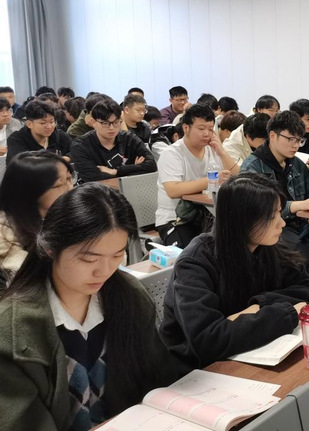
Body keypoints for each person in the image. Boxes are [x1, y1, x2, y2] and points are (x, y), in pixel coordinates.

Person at [0, 183, 179, 430]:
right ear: (50, 248)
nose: (104, 271)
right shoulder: (12, 329)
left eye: (117, 255)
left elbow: (159, 380)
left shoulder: (129, 295)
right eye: (88, 259)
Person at [160, 173, 309, 369]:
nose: (282, 223)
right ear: (242, 220)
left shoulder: (267, 247)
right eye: (272, 216)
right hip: (196, 370)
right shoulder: (195, 262)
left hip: (249, 355)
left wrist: (259, 305)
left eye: (279, 213)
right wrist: (286, 313)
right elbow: (207, 341)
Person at [241, 111, 309, 297]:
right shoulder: (252, 167)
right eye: (290, 139)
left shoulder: (297, 165)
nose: (295, 145)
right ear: (272, 136)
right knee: (305, 257)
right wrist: (297, 206)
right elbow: (258, 211)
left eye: (299, 140)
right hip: (270, 228)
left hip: (301, 225)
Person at [155, 104, 238, 246]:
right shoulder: (171, 154)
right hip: (175, 218)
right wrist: (212, 179)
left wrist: (222, 152)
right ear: (186, 128)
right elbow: (173, 190)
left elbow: (238, 177)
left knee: (233, 242)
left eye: (210, 129)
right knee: (193, 252)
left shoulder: (213, 150)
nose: (207, 134)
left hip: (207, 214)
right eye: (201, 129)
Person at [0, 152, 74, 281]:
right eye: (58, 184)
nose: (70, 188)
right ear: (30, 191)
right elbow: (24, 274)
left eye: (69, 178)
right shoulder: (4, 230)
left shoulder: (61, 212)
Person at [70, 100, 156, 183]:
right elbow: (94, 178)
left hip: (131, 189)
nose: (111, 128)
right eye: (105, 123)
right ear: (94, 122)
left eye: (116, 122)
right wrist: (134, 168)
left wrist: (116, 171)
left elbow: (151, 165)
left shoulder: (129, 138)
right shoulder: (81, 146)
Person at [7, 100, 72, 162]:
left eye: (51, 122)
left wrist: (65, 159)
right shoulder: (17, 139)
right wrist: (55, 161)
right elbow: (19, 163)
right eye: (43, 123)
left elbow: (74, 152)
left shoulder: (60, 136)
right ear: (29, 124)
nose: (49, 127)